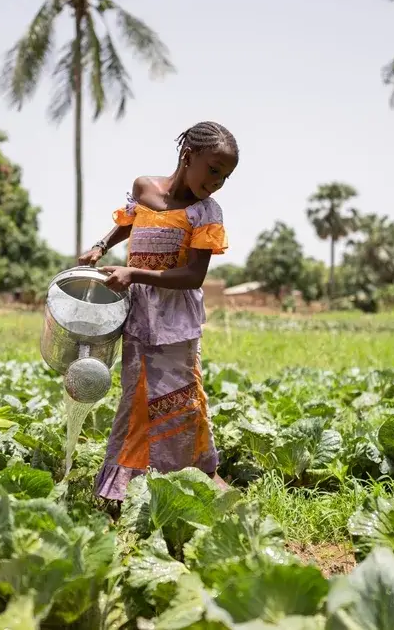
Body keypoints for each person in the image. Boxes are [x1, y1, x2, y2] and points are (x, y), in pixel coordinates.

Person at [77, 120, 239, 504]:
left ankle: (194, 475)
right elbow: (130, 222)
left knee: (182, 395)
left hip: (176, 318)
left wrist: (133, 272)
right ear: (188, 156)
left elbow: (194, 276)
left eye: (225, 176)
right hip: (138, 317)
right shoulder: (144, 188)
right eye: (212, 170)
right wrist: (101, 245)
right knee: (135, 395)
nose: (216, 182)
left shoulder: (206, 212)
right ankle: (122, 484)